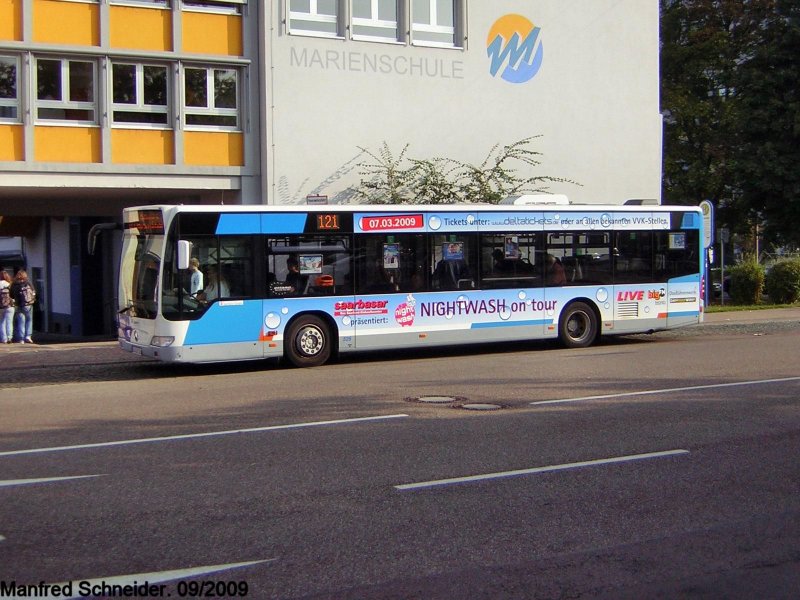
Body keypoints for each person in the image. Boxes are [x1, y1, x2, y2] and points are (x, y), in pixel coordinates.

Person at [10, 269, 36, 343]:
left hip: (18, 305)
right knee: (29, 320)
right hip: (28, 304)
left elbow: (11, 295)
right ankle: (28, 336)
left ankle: (21, 338)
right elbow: (33, 291)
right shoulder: (27, 282)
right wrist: (32, 299)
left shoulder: (14, 284)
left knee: (21, 321)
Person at [0, 271, 14, 344]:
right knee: (9, 322)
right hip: (10, 306)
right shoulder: (10, 285)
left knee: (2, 322)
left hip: (1, 307)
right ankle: (9, 337)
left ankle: (3, 338)